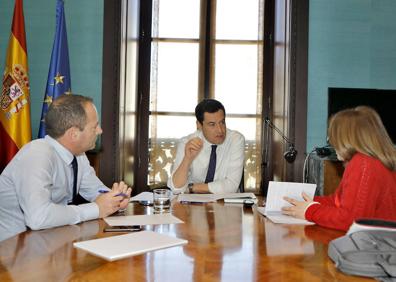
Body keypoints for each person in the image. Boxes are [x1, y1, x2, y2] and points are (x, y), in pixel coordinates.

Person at [0, 94, 132, 241]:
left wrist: (115, 198)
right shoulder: (36, 155)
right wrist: (96, 209)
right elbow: (38, 217)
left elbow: (95, 190)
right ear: (73, 134)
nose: (100, 131)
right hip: (12, 252)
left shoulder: (78, 155)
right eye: (94, 126)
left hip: (51, 241)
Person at [282, 106, 396, 231]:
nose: (331, 142)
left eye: (332, 138)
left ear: (345, 139)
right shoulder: (374, 162)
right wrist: (300, 203)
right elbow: (337, 201)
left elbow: (349, 220)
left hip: (378, 246)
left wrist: (309, 211)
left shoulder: (363, 164)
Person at [167, 98, 245, 194]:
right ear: (199, 125)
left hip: (226, 203)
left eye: (222, 122)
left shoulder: (235, 140)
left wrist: (191, 187)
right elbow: (176, 188)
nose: (220, 130)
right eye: (212, 124)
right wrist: (187, 158)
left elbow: (231, 186)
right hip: (193, 205)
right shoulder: (187, 142)